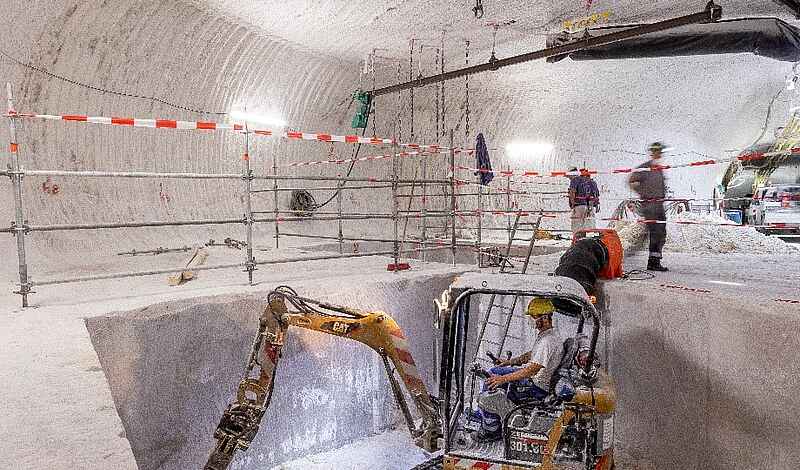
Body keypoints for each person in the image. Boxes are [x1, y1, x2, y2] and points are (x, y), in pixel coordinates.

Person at [472, 297, 563, 441]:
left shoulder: (548, 341)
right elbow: (531, 355)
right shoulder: (546, 336)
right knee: (495, 372)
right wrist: (509, 363)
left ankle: (491, 428)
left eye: (533, 317)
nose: (531, 320)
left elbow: (532, 369)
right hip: (533, 381)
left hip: (536, 387)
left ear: (545, 318)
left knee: (492, 378)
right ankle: (485, 413)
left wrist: (502, 379)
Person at [629, 142, 669, 271]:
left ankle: (655, 259)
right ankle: (652, 262)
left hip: (659, 205)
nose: (659, 153)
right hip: (650, 205)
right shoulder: (645, 168)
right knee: (655, 232)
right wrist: (643, 193)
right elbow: (631, 181)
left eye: (660, 151)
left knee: (661, 232)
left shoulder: (658, 169)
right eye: (657, 151)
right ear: (652, 152)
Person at [567, 167, 600, 234]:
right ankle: (589, 241)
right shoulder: (592, 182)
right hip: (590, 207)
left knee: (577, 226)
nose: (569, 178)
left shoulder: (575, 180)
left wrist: (572, 204)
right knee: (590, 226)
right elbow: (596, 195)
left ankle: (578, 241)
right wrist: (596, 205)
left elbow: (572, 192)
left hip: (579, 206)